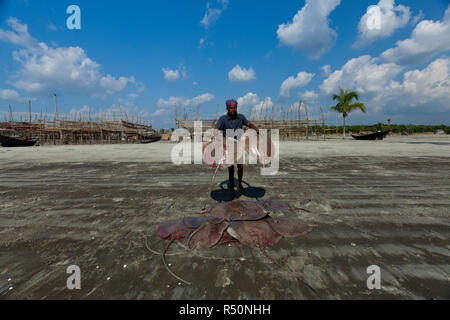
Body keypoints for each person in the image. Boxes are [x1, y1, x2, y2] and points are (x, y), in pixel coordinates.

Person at [215, 99, 259, 200]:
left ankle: (239, 184)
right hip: (229, 147)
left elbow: (249, 124)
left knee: (240, 167)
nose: (233, 110)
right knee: (231, 169)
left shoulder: (241, 117)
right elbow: (216, 130)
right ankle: (232, 191)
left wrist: (255, 128)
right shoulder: (223, 119)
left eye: (235, 107)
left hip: (239, 146)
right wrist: (220, 139)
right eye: (231, 108)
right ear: (227, 108)